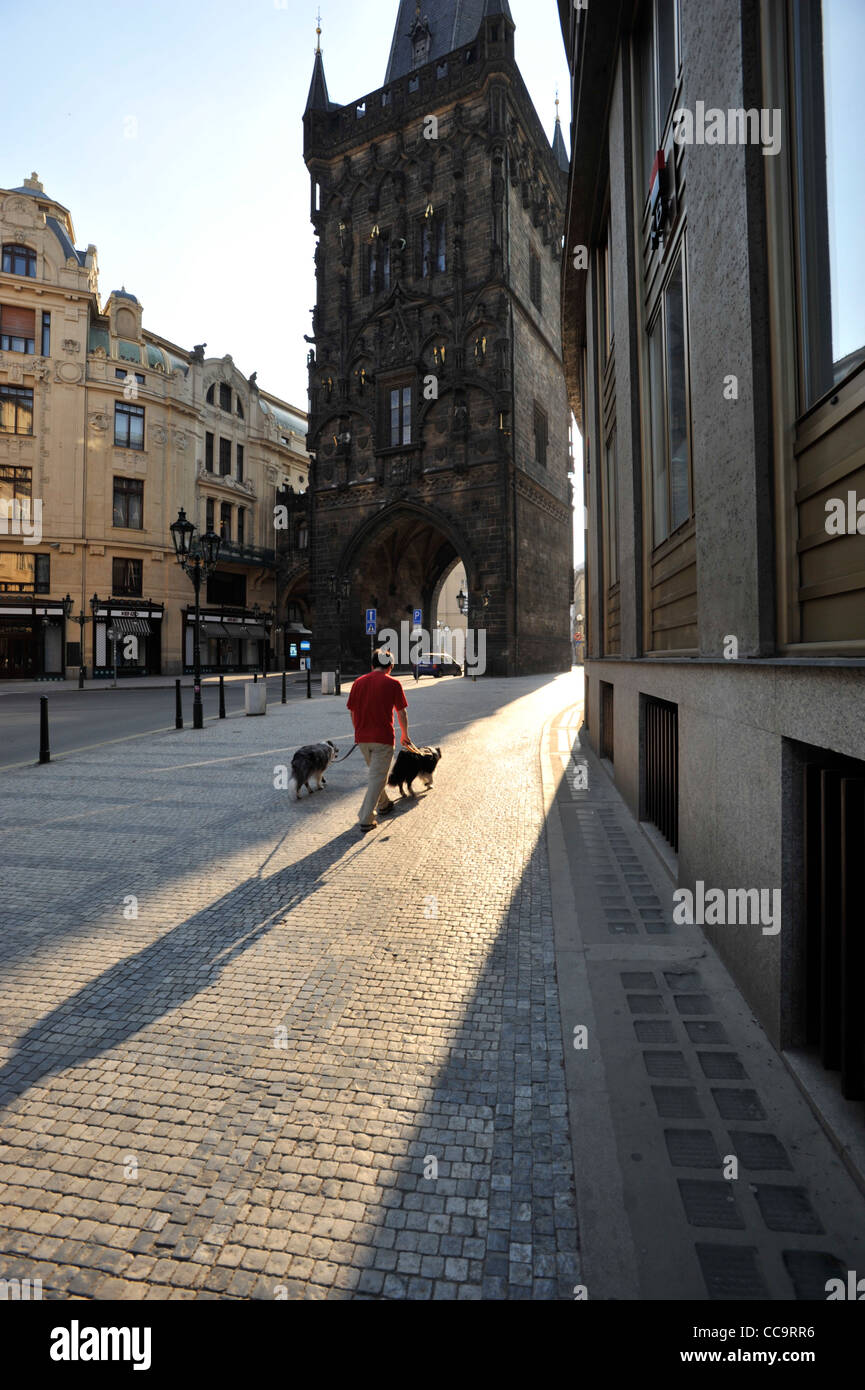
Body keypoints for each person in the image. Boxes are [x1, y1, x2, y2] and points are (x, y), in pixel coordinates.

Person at [346, 647, 414, 831]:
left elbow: (352, 711)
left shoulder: (358, 683)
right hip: (383, 738)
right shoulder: (393, 684)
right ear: (390, 666)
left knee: (377, 774)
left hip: (362, 739)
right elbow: (401, 712)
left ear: (372, 665)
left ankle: (384, 804)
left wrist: (358, 732)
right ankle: (366, 818)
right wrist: (405, 734)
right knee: (378, 777)